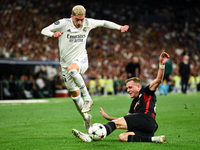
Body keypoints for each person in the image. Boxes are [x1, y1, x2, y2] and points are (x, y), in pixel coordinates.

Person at [41, 5, 129, 132]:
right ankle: (86, 118)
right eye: (77, 20)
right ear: (72, 17)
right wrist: (52, 34)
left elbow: (103, 22)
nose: (80, 23)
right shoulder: (63, 23)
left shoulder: (88, 23)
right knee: (74, 95)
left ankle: (88, 98)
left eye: (82, 19)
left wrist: (119, 27)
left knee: (73, 69)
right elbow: (44, 30)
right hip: (65, 64)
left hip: (81, 60)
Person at [72, 52, 169, 143]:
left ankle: (89, 136)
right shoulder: (134, 103)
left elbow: (158, 80)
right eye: (127, 88)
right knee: (123, 137)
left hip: (146, 119)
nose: (128, 90)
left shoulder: (146, 92)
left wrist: (161, 65)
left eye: (130, 87)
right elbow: (125, 119)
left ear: (138, 86)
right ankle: (153, 139)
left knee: (116, 124)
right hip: (147, 127)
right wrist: (109, 117)